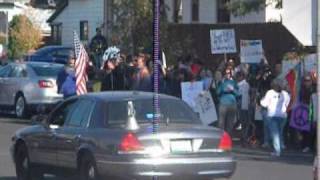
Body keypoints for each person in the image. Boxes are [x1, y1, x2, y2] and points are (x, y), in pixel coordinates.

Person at [260, 79, 290, 157]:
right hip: (283, 116)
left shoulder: (270, 92)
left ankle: (277, 151)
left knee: (275, 134)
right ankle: (279, 147)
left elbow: (264, 104)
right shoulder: (285, 94)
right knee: (279, 132)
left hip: (272, 115)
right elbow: (287, 103)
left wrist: (261, 100)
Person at [216, 68, 239, 135]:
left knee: (230, 122)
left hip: (232, 103)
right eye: (226, 73)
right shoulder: (222, 82)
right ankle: (220, 137)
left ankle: (228, 137)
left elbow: (238, 94)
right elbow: (217, 92)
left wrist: (232, 90)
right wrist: (221, 85)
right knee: (221, 122)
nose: (227, 74)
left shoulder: (234, 82)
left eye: (229, 73)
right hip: (223, 103)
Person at [236, 71, 250, 146]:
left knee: (243, 122)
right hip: (244, 105)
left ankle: (244, 138)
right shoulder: (246, 84)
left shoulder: (241, 84)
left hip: (241, 105)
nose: (238, 78)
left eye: (239, 77)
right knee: (244, 122)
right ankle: (243, 138)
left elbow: (238, 94)